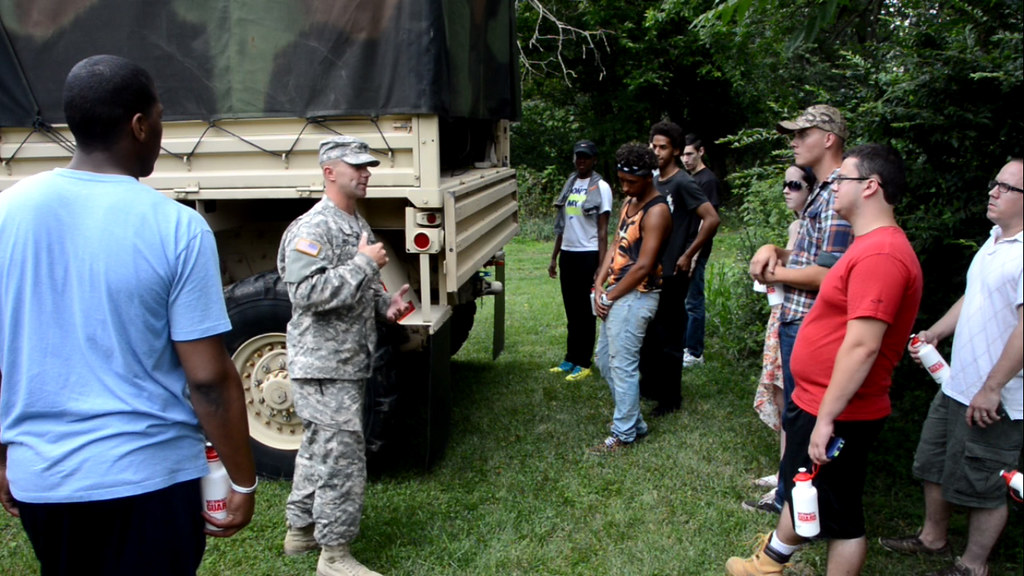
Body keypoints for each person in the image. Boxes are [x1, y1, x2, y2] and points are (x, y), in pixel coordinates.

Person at [0, 55, 256, 576]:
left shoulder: (7, 213)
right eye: (159, 118)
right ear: (139, 126)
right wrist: (243, 479)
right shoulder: (177, 228)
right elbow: (208, 380)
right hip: (151, 480)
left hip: (45, 481)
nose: (160, 132)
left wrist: (5, 456)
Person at [726, 144, 923, 576]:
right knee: (809, 489)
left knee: (842, 518)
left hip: (840, 411)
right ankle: (768, 563)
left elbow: (863, 346)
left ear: (870, 186)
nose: (832, 186)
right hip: (819, 401)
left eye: (841, 179)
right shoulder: (866, 244)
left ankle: (768, 564)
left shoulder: (882, 255)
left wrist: (827, 419)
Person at [879, 159, 1023, 576]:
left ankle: (973, 566)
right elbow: (974, 295)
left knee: (986, 480)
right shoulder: (995, 239)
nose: (993, 191)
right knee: (934, 461)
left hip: (998, 397)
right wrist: (937, 332)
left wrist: (992, 388)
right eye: (995, 183)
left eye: (1007, 188)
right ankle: (932, 539)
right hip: (958, 383)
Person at [278, 135, 411, 576]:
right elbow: (306, 293)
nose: (365, 173)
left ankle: (301, 531)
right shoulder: (313, 228)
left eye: (368, 166)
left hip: (346, 362)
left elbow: (361, 290)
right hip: (322, 365)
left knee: (321, 446)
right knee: (343, 457)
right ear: (329, 172)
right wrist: (363, 264)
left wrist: (385, 305)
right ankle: (334, 555)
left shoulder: (355, 224)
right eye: (356, 166)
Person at [747, 104, 852, 514]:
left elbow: (830, 274)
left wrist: (776, 274)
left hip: (813, 323)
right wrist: (774, 249)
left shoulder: (840, 192)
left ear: (828, 139)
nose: (793, 142)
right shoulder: (822, 191)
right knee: (795, 412)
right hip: (797, 318)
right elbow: (810, 256)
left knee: (805, 414)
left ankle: (797, 504)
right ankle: (791, 496)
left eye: (802, 134)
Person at [590, 143, 671, 453]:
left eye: (631, 182)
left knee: (623, 366)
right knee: (604, 361)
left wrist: (609, 297)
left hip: (637, 296)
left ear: (649, 178)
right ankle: (635, 423)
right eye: (621, 180)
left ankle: (623, 434)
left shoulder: (657, 211)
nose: (625, 187)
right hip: (616, 291)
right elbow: (616, 244)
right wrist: (599, 283)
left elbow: (644, 265)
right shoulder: (629, 202)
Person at [639, 121, 719, 416]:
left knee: (669, 337)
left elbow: (711, 219)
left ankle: (670, 399)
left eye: (663, 147)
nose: (657, 152)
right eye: (654, 146)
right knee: (648, 333)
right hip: (651, 269)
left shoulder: (683, 182)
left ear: (675, 150)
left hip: (674, 272)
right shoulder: (653, 181)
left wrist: (688, 253)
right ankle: (649, 386)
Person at [751, 165, 816, 494]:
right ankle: (784, 470)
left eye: (795, 184)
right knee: (781, 393)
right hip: (781, 313)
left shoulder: (819, 228)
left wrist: (774, 273)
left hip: (802, 318)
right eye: (785, 184)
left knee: (794, 396)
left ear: (812, 189)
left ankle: (793, 477)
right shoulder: (796, 226)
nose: (787, 190)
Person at [548, 140, 613, 382]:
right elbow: (563, 225)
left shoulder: (601, 187)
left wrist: (601, 266)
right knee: (572, 311)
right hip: (569, 253)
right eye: (578, 156)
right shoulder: (571, 183)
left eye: (586, 157)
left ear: (594, 160)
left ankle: (584, 362)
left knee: (586, 313)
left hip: (589, 254)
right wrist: (554, 257)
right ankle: (570, 358)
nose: (581, 161)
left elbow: (603, 231)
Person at [680, 133, 723, 367]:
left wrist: (694, 255)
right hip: (683, 247)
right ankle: (684, 345)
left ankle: (695, 352)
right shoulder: (690, 179)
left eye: (690, 154)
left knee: (693, 300)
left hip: (696, 248)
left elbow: (708, 221)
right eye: (683, 155)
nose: (685, 159)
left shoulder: (708, 181)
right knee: (683, 299)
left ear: (701, 152)